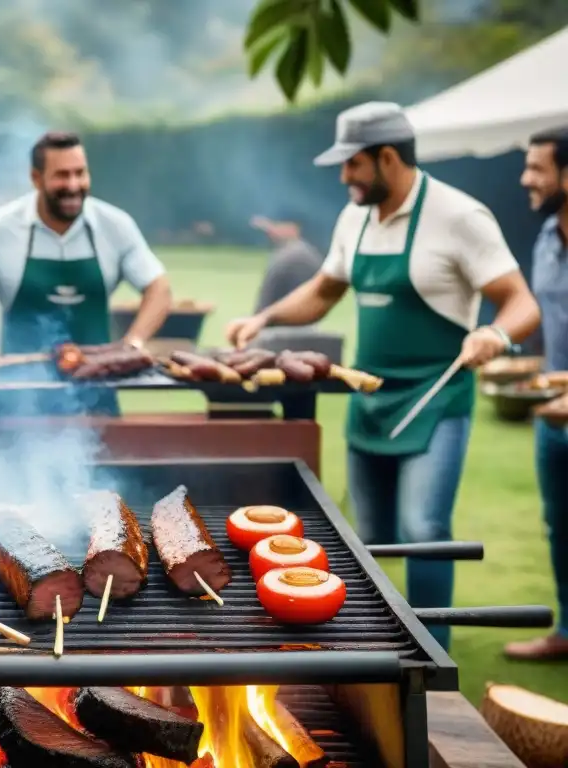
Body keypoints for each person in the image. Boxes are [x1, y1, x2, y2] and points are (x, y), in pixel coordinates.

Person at [224, 102, 541, 651]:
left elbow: (520, 303)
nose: (343, 176)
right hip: (369, 397)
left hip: (435, 399)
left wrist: (496, 334)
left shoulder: (460, 217)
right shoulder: (355, 219)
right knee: (366, 539)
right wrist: (266, 317)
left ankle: (431, 651)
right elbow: (324, 291)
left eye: (352, 164)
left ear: (388, 158)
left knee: (424, 532)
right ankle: (369, 656)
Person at [0, 131, 172, 415]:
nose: (73, 185)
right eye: (62, 175)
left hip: (97, 395)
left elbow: (159, 288)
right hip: (19, 398)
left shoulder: (115, 226)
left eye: (80, 173)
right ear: (36, 178)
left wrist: (133, 343)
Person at [505, 127, 568, 661]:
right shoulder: (548, 237)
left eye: (538, 168)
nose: (526, 178)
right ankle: (567, 632)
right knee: (560, 525)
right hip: (554, 415)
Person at [249, 215, 324, 316]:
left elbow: (263, 307)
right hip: (307, 323)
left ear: (292, 228)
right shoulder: (311, 254)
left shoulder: (284, 257)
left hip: (278, 325)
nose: (272, 232)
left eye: (278, 225)